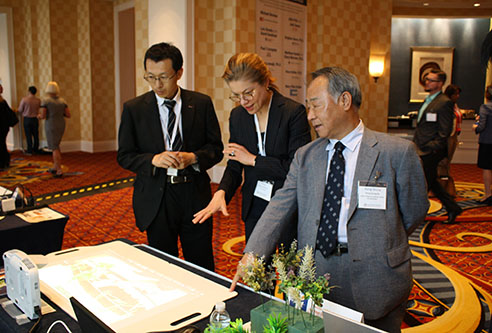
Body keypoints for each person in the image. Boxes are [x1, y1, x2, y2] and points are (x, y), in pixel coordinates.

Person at [229, 67, 429, 333]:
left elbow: (414, 211)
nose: (310, 116)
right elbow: (279, 207)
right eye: (307, 107)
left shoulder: (396, 153)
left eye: (316, 106)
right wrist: (252, 255)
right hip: (316, 272)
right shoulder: (305, 156)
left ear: (345, 101)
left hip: (376, 274)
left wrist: (378, 240)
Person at [117, 42, 223, 271]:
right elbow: (124, 156)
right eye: (150, 77)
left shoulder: (201, 103)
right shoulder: (134, 109)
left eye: (164, 77)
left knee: (201, 264)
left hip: (194, 194)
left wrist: (193, 158)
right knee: (163, 267)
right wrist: (152, 160)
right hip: (157, 196)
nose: (157, 84)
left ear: (179, 73)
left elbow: (216, 148)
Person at [193, 53, 311, 245]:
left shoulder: (292, 113)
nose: (243, 101)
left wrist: (253, 160)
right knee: (256, 271)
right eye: (236, 95)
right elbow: (234, 164)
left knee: (291, 271)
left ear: (265, 82)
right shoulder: (238, 116)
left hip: (288, 206)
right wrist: (221, 191)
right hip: (255, 203)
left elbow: (298, 168)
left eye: (248, 93)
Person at [413, 69, 462, 224]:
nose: (427, 82)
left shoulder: (444, 102)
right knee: (431, 181)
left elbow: (445, 130)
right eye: (426, 79)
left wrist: (431, 147)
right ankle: (452, 207)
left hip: (431, 150)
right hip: (422, 147)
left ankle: (414, 215)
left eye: (431, 80)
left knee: (423, 182)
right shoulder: (428, 100)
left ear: (440, 83)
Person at [39, 81, 71, 177]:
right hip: (61, 123)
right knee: (56, 145)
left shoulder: (46, 101)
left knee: (54, 147)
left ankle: (59, 169)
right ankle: (55, 166)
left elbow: (43, 115)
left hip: (51, 124)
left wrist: (38, 116)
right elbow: (68, 114)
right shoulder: (62, 101)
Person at [437, 84, 462, 196]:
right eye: (456, 94)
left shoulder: (454, 105)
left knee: (448, 161)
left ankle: (446, 186)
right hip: (447, 137)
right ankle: (441, 186)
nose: (458, 96)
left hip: (454, 136)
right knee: (443, 161)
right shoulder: (446, 105)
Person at [473, 85, 492, 205]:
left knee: (487, 168)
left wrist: (475, 127)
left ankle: (488, 194)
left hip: (487, 141)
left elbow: (481, 126)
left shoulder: (485, 107)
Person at [0, 87, 14, 173]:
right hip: (4, 128)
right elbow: (9, 114)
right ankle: (6, 161)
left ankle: (0, 163)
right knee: (2, 144)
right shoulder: (2, 102)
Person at [18, 86, 41, 155]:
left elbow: (20, 110)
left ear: (29, 91)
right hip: (35, 118)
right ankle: (36, 149)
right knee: (36, 134)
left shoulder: (24, 100)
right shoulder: (38, 100)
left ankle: (29, 150)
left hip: (27, 119)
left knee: (28, 135)